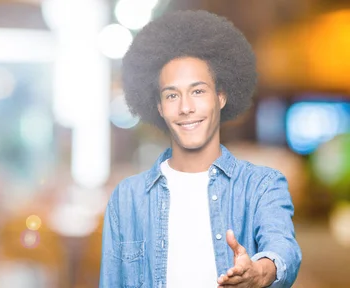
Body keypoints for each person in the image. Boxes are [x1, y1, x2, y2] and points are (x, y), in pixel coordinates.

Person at [99, 10, 301, 288]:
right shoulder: (127, 198)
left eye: (197, 91)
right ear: (159, 106)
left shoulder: (262, 186)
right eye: (172, 95)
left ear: (221, 96)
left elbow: (284, 251)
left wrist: (259, 273)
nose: (185, 107)